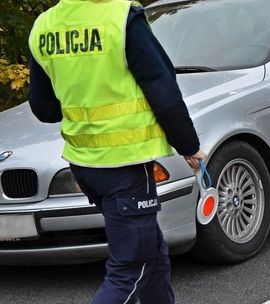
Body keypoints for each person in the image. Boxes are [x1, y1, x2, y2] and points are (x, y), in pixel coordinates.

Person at [27, 0, 206, 303]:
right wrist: (189, 146)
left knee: (152, 254)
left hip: (84, 166)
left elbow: (43, 107)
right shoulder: (122, 17)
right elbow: (162, 88)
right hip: (126, 166)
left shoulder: (44, 26)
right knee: (130, 270)